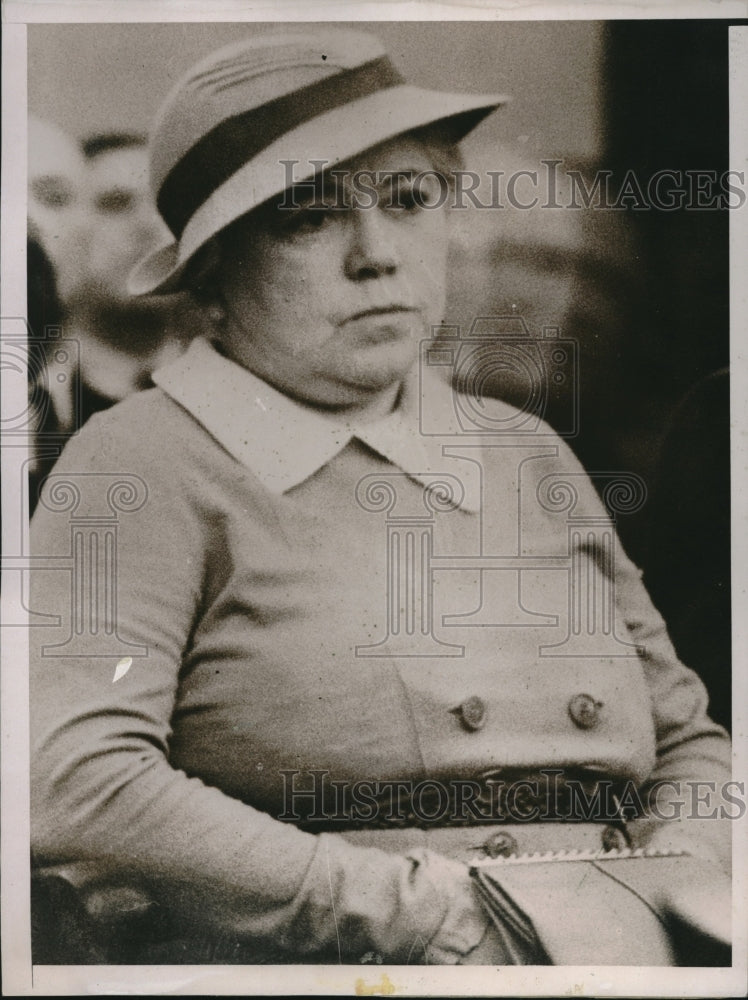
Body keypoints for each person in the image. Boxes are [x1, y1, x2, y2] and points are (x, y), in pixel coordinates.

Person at [30, 28, 731, 966]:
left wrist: (672, 878)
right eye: (308, 217)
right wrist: (428, 916)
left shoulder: (524, 451)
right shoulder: (141, 462)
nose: (376, 256)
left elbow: (695, 745)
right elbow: (80, 783)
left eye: (407, 201)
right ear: (212, 278)